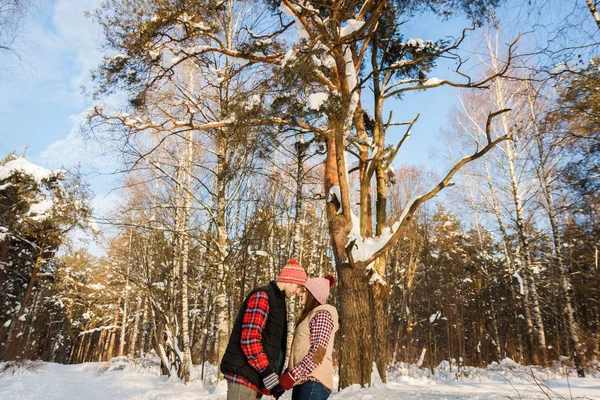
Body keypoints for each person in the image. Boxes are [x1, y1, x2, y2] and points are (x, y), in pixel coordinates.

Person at [220, 258, 307, 400]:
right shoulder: (263, 296)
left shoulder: (277, 301)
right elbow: (249, 339)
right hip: (244, 378)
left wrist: (273, 378)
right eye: (299, 287)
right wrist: (266, 372)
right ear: (290, 280)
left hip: (254, 379)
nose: (298, 293)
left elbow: (270, 344)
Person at [277, 275, 338, 400]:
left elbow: (318, 353)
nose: (300, 294)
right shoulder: (311, 316)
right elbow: (301, 353)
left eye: (304, 291)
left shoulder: (323, 315)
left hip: (313, 383)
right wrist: (284, 380)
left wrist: (292, 376)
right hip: (304, 382)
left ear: (313, 294)